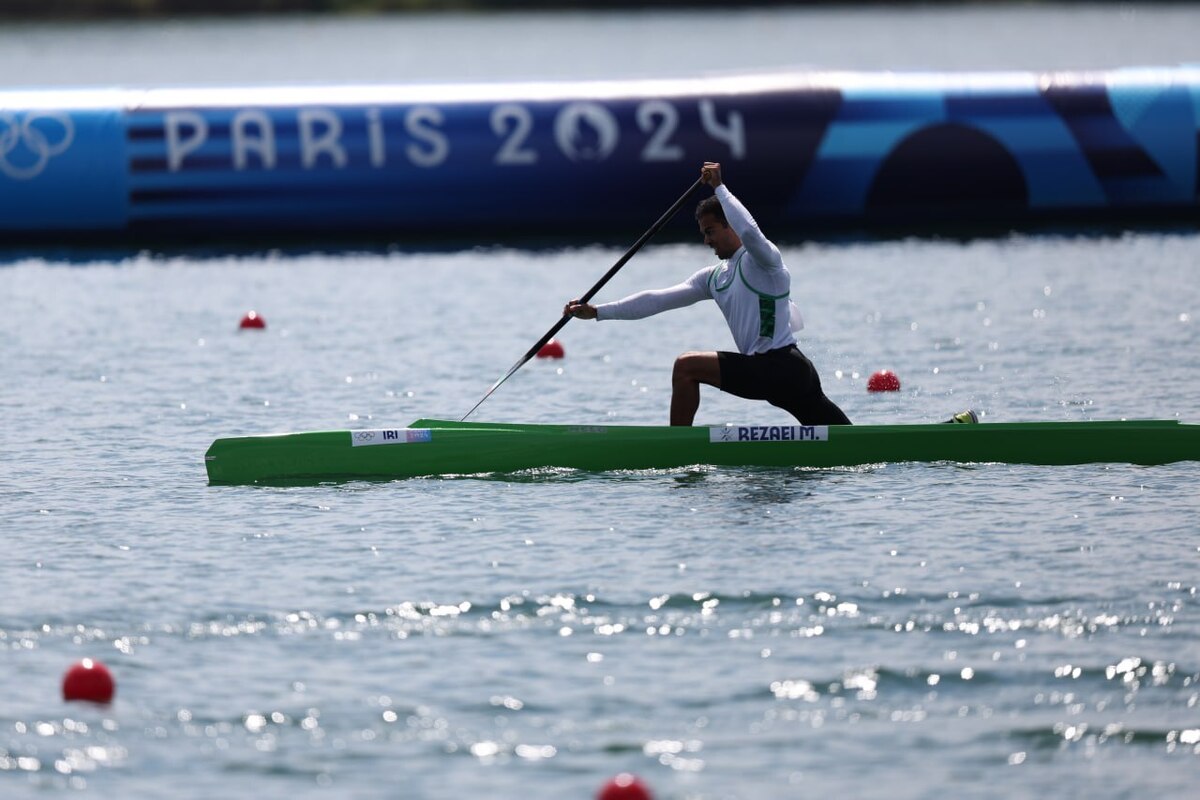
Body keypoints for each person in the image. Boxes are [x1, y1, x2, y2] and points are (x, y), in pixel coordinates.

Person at [564, 161, 852, 427]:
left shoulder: (764, 262)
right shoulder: (714, 277)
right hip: (779, 374)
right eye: (703, 233)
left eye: (710, 231)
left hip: (782, 367)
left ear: (730, 225)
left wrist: (720, 188)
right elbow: (658, 300)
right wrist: (599, 311)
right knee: (841, 440)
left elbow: (750, 232)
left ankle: (676, 449)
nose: (706, 240)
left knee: (686, 366)